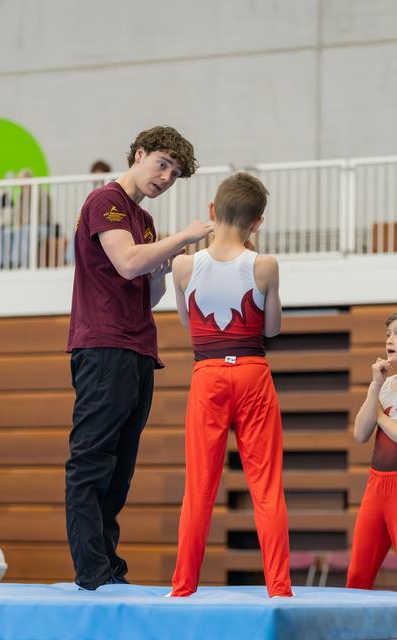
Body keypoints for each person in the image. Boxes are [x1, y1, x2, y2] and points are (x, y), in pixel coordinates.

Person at [65, 125, 213, 590]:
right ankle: (92, 572)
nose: (167, 177)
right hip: (103, 345)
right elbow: (128, 262)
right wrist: (183, 237)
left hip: (137, 347)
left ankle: (108, 566)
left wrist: (165, 262)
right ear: (140, 154)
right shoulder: (104, 202)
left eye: (175, 173)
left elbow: (144, 290)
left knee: (121, 468)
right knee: (92, 461)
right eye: (162, 164)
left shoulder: (144, 222)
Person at [169, 172, 293, 598]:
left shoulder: (184, 264)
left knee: (200, 487)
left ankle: (183, 586)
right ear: (257, 223)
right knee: (265, 485)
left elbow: (188, 322)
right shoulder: (265, 265)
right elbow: (272, 328)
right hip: (252, 372)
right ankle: (279, 588)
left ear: (211, 212)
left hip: (208, 376)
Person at [347, 312, 397, 589]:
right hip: (377, 486)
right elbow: (360, 434)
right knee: (357, 576)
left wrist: (379, 415)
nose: (390, 340)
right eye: (388, 334)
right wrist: (375, 386)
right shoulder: (385, 385)